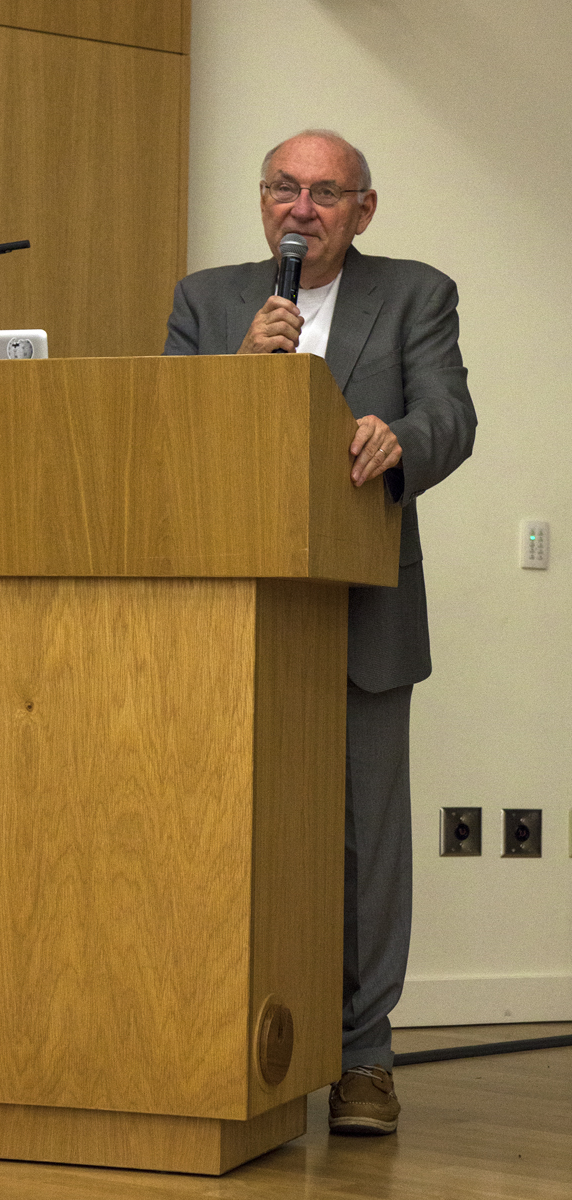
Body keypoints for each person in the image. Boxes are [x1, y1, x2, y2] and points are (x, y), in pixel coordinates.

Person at [164, 129, 476, 1135]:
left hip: (362, 604)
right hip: (230, 608)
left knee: (362, 842)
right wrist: (237, 370)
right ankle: (214, 1044)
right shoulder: (208, 300)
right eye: (283, 189)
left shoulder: (414, 293)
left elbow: (449, 416)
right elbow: (165, 431)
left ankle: (363, 1057)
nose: (300, 209)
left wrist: (398, 440)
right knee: (217, 827)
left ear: (362, 209)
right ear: (262, 199)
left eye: (325, 193)